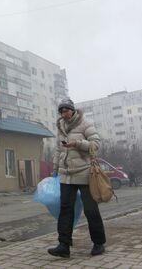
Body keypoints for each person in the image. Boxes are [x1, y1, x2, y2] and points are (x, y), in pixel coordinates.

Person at [49, 98, 105, 258]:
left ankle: (99, 243)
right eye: (61, 111)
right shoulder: (61, 127)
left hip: (84, 173)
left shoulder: (85, 123)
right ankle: (63, 245)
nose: (64, 114)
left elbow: (96, 144)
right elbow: (58, 150)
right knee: (65, 210)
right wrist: (55, 170)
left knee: (90, 209)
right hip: (66, 176)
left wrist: (78, 144)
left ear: (72, 110)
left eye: (66, 110)